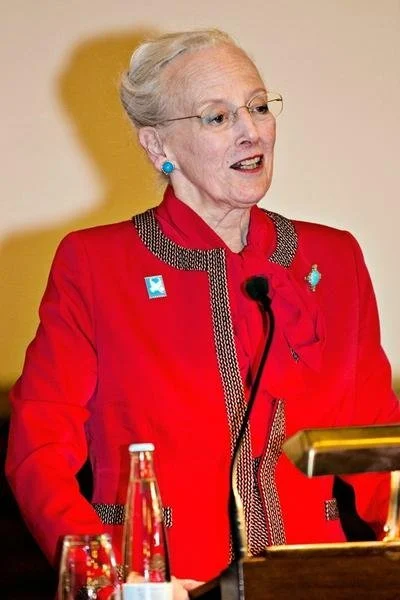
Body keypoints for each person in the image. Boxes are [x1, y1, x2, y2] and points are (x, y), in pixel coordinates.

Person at [6, 28, 400, 587]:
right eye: (217, 117)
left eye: (259, 107)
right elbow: (39, 447)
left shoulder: (332, 259)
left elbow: (379, 438)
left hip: (319, 576)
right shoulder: (95, 264)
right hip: (164, 581)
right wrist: (108, 578)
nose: (251, 131)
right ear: (157, 147)